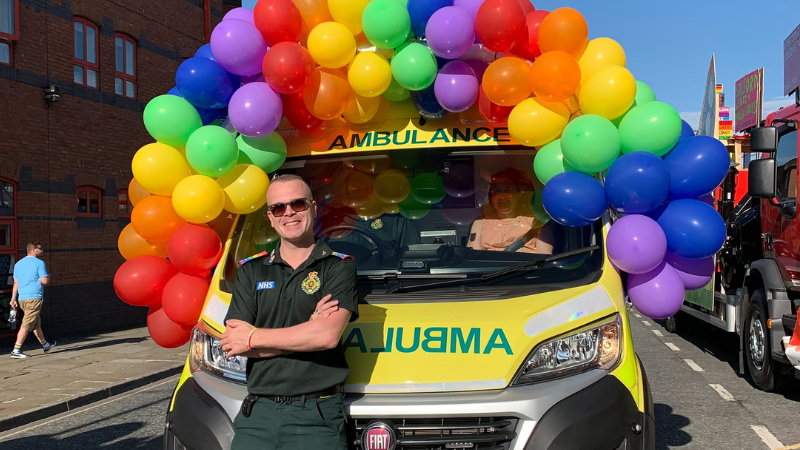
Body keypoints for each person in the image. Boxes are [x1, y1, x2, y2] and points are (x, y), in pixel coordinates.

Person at [221, 174, 358, 450]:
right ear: (270, 217)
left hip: (316, 416)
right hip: (257, 414)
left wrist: (254, 337)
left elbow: (326, 336)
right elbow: (234, 343)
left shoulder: (338, 267)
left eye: (298, 204)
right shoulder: (251, 270)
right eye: (279, 208)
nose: (289, 213)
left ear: (314, 207)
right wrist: (305, 332)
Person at [467, 167, 554, 254]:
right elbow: (472, 257)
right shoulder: (480, 223)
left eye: (508, 190)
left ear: (519, 194)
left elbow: (545, 257)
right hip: (490, 268)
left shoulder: (536, 221)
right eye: (497, 191)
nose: (502, 196)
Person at [10, 242, 56, 358]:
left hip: (22, 298)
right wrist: (48, 277)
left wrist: (13, 298)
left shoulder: (18, 264)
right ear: (34, 250)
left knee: (35, 324)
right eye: (40, 248)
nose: (42, 250)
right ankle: (16, 350)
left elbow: (16, 282)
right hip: (34, 297)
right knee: (26, 324)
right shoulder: (39, 263)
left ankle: (46, 345)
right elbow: (44, 281)